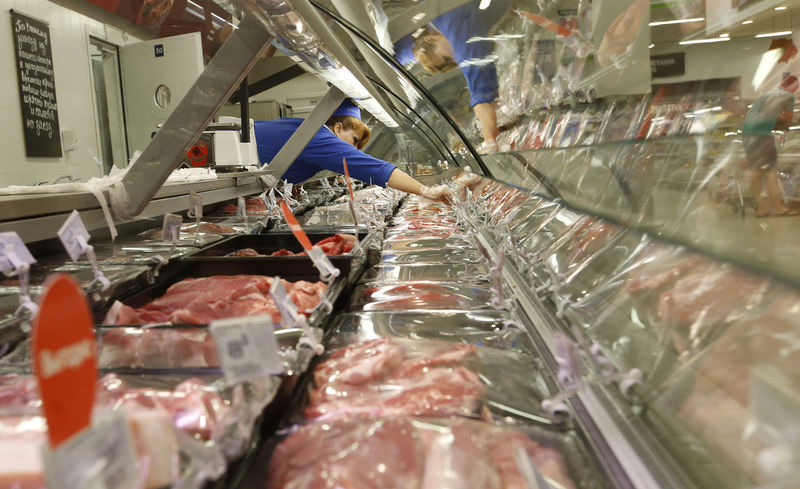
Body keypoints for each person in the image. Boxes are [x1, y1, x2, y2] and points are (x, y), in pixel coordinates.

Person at [254, 99, 452, 202]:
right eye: (355, 140)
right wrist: (425, 191)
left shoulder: (306, 129)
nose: (353, 149)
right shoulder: (318, 135)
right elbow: (375, 169)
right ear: (338, 127)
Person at [394, 0, 511, 151]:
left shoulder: (448, 17)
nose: (456, 56)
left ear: (431, 39)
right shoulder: (457, 22)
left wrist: (490, 141)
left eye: (446, 58)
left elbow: (471, 61)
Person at [742, 75, 800, 217]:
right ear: (795, 87)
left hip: (747, 136)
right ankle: (778, 208)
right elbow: (788, 119)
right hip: (762, 137)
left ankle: (762, 208)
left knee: (755, 172)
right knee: (771, 173)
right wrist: (785, 125)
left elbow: (762, 115)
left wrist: (777, 119)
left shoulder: (767, 95)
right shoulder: (788, 97)